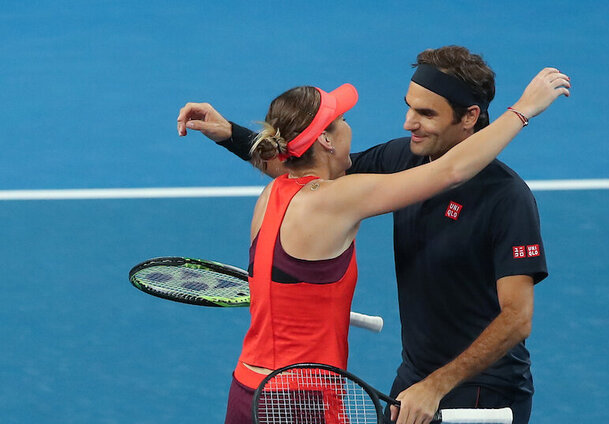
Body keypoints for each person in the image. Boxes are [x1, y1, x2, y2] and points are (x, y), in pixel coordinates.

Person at [178, 47, 570, 424]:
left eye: (425, 112)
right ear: (327, 140)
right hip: (334, 393)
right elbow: (447, 171)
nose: (407, 122)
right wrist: (522, 110)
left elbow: (517, 319)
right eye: (409, 106)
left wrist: (229, 133)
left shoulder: (507, 198)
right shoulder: (383, 172)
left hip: (474, 388)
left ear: (469, 116)